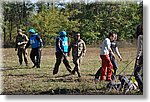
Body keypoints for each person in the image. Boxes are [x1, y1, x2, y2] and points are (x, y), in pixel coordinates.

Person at [134, 23, 143, 92]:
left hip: (142, 57)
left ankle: (142, 88)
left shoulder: (140, 36)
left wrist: (137, 58)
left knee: (136, 73)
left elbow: (140, 49)